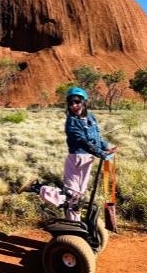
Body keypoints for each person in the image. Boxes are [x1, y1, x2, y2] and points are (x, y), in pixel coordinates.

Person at [20, 87, 117, 221]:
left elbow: (96, 138)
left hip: (88, 159)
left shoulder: (91, 117)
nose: (74, 106)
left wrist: (107, 147)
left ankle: (74, 224)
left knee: (79, 196)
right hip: (76, 159)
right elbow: (82, 141)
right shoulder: (71, 122)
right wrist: (101, 153)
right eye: (70, 103)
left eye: (77, 102)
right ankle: (36, 188)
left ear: (84, 102)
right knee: (72, 196)